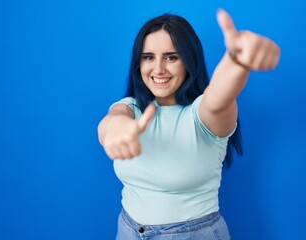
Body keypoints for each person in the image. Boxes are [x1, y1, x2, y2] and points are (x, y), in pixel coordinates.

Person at [98, 9, 280, 240]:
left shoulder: (203, 115)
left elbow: (219, 96)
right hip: (128, 231)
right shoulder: (132, 108)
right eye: (148, 57)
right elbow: (112, 120)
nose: (158, 68)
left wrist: (237, 61)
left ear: (188, 60)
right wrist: (114, 129)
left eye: (171, 57)